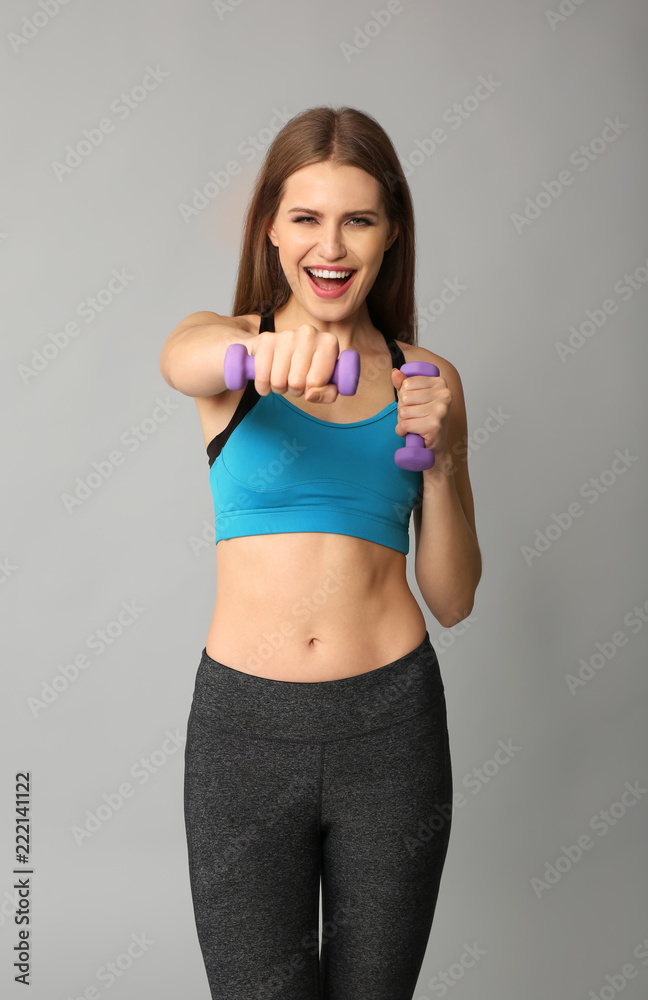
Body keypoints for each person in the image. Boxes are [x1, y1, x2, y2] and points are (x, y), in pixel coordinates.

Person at [159, 105, 481, 1000]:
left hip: (393, 731)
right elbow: (180, 359)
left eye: (358, 218)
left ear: (390, 232)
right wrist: (258, 354)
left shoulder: (429, 377)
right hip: (242, 736)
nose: (330, 245)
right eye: (305, 217)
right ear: (270, 227)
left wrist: (445, 461)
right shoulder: (227, 347)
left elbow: (453, 599)